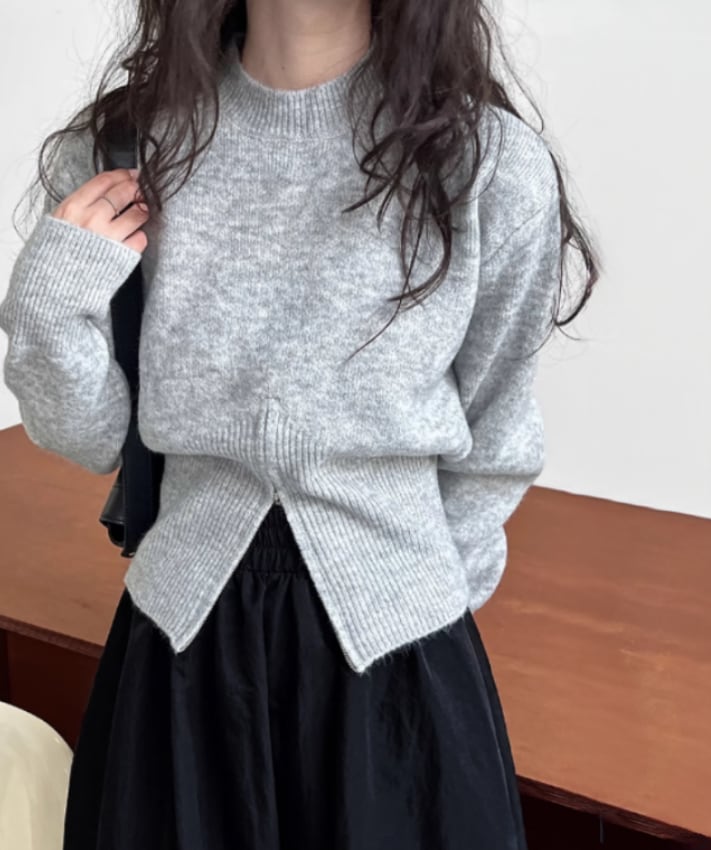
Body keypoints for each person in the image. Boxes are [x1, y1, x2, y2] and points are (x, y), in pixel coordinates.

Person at [0, 0, 598, 847]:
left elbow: (496, 436)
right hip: (179, 646)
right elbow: (95, 437)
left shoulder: (487, 164)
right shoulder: (121, 152)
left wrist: (409, 600)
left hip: (400, 661)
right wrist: (47, 307)